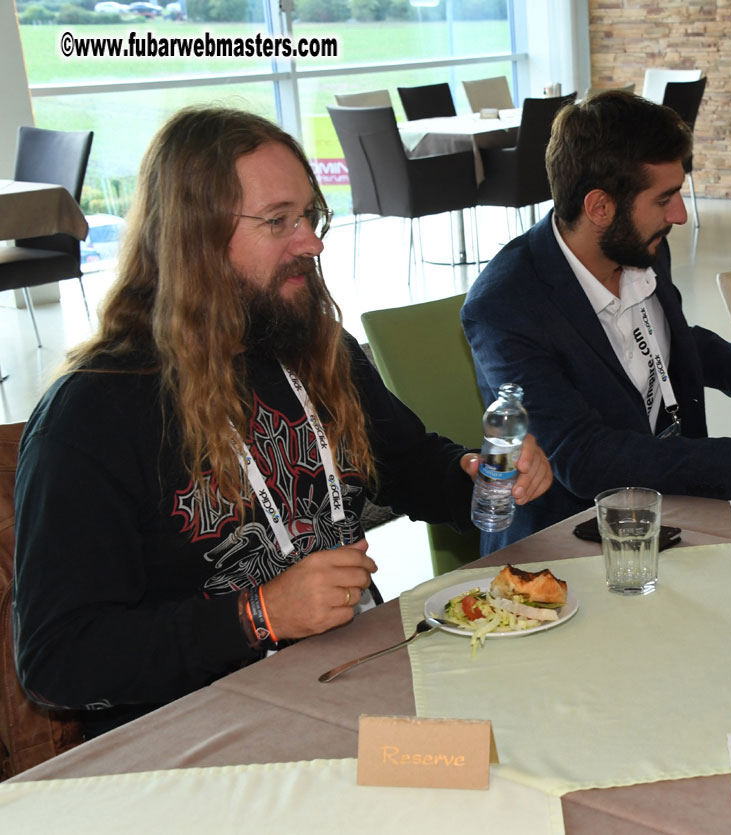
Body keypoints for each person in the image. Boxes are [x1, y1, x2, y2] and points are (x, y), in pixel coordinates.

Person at [11, 107, 552, 738]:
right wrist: (259, 615)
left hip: (350, 685)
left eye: (310, 217)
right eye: (279, 222)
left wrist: (482, 475)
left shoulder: (315, 348)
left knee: (524, 744)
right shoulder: (93, 415)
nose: (313, 243)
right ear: (195, 240)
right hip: (203, 735)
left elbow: (407, 465)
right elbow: (58, 660)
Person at [461, 91, 731, 551]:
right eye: (664, 199)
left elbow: (674, 339)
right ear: (600, 207)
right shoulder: (506, 306)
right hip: (572, 541)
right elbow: (584, 457)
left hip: (672, 504)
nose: (680, 215)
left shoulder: (637, 245)